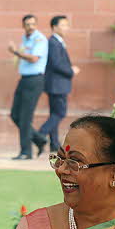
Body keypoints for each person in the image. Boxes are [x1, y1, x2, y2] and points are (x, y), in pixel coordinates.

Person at [37, 15, 80, 153]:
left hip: (57, 84)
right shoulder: (53, 42)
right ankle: (40, 134)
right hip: (57, 84)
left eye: (67, 25)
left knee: (54, 113)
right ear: (54, 27)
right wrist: (71, 71)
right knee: (60, 113)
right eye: (63, 25)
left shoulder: (58, 42)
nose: (66, 28)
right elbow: (56, 64)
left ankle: (54, 143)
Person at [8, 14, 48, 160]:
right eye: (27, 24)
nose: (30, 27)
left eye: (33, 24)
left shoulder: (40, 39)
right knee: (15, 115)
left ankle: (26, 152)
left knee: (25, 117)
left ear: (36, 25)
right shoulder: (25, 38)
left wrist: (15, 52)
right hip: (24, 79)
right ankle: (39, 139)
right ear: (23, 26)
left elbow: (34, 58)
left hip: (34, 80)